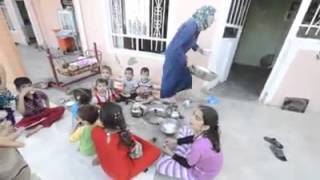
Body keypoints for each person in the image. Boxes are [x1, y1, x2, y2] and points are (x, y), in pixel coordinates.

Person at [91, 102, 161, 180]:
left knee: (128, 141)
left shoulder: (95, 131)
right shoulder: (124, 138)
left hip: (106, 168)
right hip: (122, 175)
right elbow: (136, 155)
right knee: (156, 151)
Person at [160, 6, 216, 102]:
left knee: (183, 76)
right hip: (175, 54)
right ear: (204, 15)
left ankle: (172, 95)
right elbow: (178, 45)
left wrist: (199, 50)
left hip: (179, 53)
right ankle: (166, 99)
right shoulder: (191, 26)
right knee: (171, 77)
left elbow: (191, 41)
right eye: (211, 17)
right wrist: (184, 60)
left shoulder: (197, 27)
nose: (212, 21)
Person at [157, 105, 223, 180]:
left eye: (197, 118)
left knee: (161, 165)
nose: (192, 118)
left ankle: (179, 154)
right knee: (184, 130)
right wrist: (176, 141)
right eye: (194, 114)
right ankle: (182, 152)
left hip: (200, 174)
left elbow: (188, 165)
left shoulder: (198, 146)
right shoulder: (209, 133)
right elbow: (194, 138)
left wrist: (170, 153)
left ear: (205, 127)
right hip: (205, 162)